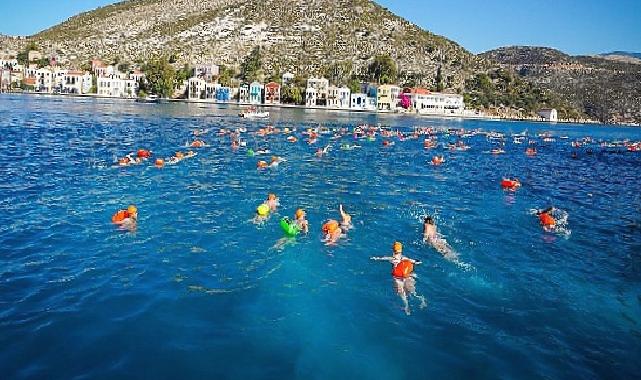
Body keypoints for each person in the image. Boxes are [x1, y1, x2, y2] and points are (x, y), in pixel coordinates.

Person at [371, 242, 426, 315]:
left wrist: (375, 258)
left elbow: (382, 258)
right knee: (413, 291)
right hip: (407, 276)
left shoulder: (392, 258)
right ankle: (421, 300)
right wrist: (417, 262)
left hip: (398, 278)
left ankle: (406, 306)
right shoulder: (405, 258)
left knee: (402, 293)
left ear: (393, 250)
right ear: (401, 250)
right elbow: (417, 262)